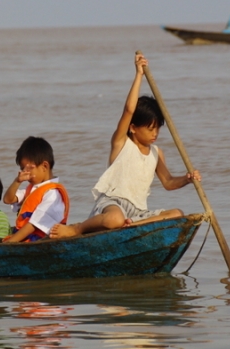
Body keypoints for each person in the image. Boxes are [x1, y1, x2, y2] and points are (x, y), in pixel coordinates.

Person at [50, 53, 199, 239]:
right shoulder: (121, 143)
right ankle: (77, 228)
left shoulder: (156, 152)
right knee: (114, 219)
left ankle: (133, 226)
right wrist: (138, 75)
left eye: (157, 129)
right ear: (133, 128)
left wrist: (188, 179)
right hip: (112, 204)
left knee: (177, 214)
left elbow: (168, 182)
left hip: (137, 212)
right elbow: (129, 110)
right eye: (150, 129)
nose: (155, 134)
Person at [3, 137, 69, 242]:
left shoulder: (53, 193)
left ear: (44, 166)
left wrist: (10, 243)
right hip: (27, 239)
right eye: (23, 169)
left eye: (29, 169)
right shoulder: (32, 190)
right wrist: (17, 181)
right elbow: (8, 200)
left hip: (41, 241)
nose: (26, 173)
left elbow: (32, 225)